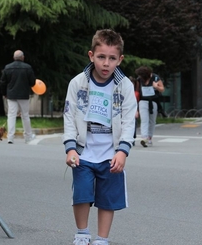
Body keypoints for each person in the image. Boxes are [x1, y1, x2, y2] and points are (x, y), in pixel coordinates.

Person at [63, 29, 137, 245]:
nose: (106, 63)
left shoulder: (124, 86)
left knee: (107, 199)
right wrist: (70, 148)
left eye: (112, 58)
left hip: (111, 155)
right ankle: (82, 233)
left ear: (120, 59)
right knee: (82, 195)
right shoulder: (78, 83)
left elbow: (128, 121)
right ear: (91, 56)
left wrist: (123, 151)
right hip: (83, 152)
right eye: (101, 57)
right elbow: (68, 117)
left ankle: (101, 239)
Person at [0, 50, 36, 144]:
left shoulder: (7, 68)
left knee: (11, 116)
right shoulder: (28, 68)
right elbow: (32, 82)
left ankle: (10, 137)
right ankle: (28, 136)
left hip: (11, 95)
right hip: (23, 95)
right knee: (25, 116)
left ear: (13, 57)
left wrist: (4, 93)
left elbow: (3, 82)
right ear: (23, 57)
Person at [135, 66, 165, 147]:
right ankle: (144, 138)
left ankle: (149, 137)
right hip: (143, 101)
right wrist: (136, 108)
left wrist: (156, 86)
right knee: (144, 120)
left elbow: (162, 89)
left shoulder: (155, 78)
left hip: (153, 101)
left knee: (152, 121)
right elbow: (137, 92)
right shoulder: (139, 79)